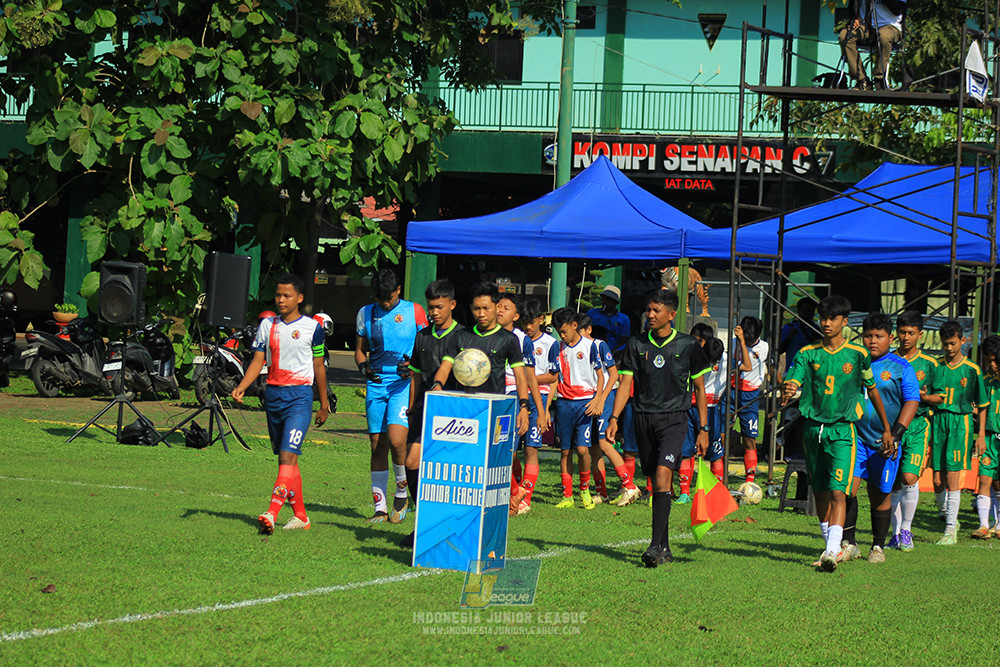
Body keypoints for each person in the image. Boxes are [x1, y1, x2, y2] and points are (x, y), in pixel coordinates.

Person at [782, 295, 893, 572]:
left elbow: (872, 390)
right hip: (812, 429)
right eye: (823, 318)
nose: (827, 323)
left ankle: (833, 550)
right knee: (818, 490)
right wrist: (788, 388)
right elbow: (794, 380)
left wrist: (887, 427)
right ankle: (829, 547)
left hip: (843, 430)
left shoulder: (857, 355)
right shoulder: (807, 353)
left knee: (838, 491)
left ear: (845, 322)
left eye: (833, 318)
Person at [606, 290, 711, 568]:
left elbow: (700, 390)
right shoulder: (636, 344)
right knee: (655, 480)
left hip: (675, 420)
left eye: (656, 311)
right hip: (642, 418)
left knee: (664, 474)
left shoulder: (689, 345)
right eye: (648, 310)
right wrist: (614, 418)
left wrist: (703, 428)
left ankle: (653, 546)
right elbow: (625, 384)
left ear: (672, 315)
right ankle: (664, 548)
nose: (650, 315)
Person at [233, 273, 329, 534]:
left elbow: (319, 367)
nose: (281, 300)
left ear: (299, 298)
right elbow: (257, 361)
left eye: (287, 296)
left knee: (288, 456)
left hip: (299, 398)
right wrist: (242, 386)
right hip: (273, 397)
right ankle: (301, 517)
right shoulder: (268, 325)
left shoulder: (313, 328)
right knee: (287, 461)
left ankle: (272, 512)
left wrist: (323, 403)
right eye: (278, 295)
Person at [841, 313, 918, 564]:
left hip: (884, 442)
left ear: (890, 338)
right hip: (854, 438)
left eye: (879, 336)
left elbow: (912, 401)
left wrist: (895, 435)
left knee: (880, 494)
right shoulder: (852, 361)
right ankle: (849, 543)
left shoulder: (901, 367)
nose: (872, 341)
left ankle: (877, 546)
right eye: (868, 336)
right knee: (847, 489)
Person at [355, 268, 428, 524]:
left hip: (404, 384)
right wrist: (364, 367)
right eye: (380, 298)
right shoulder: (365, 313)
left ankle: (401, 491)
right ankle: (379, 507)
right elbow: (360, 352)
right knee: (378, 445)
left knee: (398, 440)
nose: (384, 303)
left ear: (398, 290)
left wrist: (412, 366)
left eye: (388, 297)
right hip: (377, 385)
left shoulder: (414, 311)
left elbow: (426, 346)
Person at [402, 279, 465, 548]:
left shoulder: (464, 336)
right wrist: (411, 406)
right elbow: (415, 377)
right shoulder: (422, 336)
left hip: (454, 413)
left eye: (439, 307)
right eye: (431, 307)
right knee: (411, 463)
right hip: (423, 409)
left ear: (452, 305)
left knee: (448, 472)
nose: (434, 312)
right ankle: (424, 524)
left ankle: (451, 527)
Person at [430, 281, 531, 432]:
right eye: (476, 309)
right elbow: (445, 366)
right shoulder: (460, 336)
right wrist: (437, 385)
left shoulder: (509, 339)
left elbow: (520, 377)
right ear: (471, 308)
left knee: (497, 454)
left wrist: (524, 407)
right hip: (463, 409)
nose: (481, 314)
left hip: (494, 409)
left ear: (497, 307)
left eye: (486, 308)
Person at [924, 320, 988, 545]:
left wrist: (980, 435)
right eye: (945, 344)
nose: (949, 348)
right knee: (937, 477)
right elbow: (929, 394)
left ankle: (951, 529)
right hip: (938, 421)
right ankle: (945, 514)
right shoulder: (936, 366)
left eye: (952, 343)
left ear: (963, 340)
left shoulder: (972, 370)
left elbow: (982, 404)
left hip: (960, 423)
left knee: (952, 475)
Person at [537, 308, 605, 510]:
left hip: (585, 404)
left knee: (583, 449)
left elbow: (601, 376)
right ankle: (568, 495)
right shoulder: (557, 348)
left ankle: (584, 489)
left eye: (565, 331)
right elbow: (553, 379)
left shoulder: (591, 346)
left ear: (575, 326)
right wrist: (548, 406)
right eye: (559, 332)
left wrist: (598, 399)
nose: (562, 336)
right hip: (564, 404)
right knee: (565, 451)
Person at [887, 310, 938, 550]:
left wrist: (924, 397)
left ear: (920, 334)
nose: (906, 337)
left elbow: (941, 396)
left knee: (909, 477)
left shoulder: (929, 364)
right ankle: (894, 534)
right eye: (902, 332)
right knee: (893, 483)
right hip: (892, 426)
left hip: (918, 426)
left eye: (911, 333)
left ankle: (906, 529)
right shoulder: (887, 360)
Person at [578, 316, 641, 507]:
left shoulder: (599, 345)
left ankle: (629, 486)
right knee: (595, 446)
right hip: (591, 397)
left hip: (605, 397)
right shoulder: (573, 348)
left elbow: (613, 374)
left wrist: (602, 400)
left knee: (605, 442)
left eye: (579, 331)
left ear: (588, 330)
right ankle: (602, 492)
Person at [496, 293, 547, 514]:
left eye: (505, 308)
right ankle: (515, 491)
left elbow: (530, 377)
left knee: (510, 450)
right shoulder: (487, 334)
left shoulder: (521, 339)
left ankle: (517, 492)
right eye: (497, 306)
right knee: (501, 450)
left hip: (514, 399)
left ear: (516, 315)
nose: (499, 310)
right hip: (492, 397)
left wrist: (540, 410)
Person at [514, 299, 558, 514]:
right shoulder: (517, 339)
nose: (528, 327)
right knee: (511, 451)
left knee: (531, 449)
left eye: (532, 322)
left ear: (541, 320)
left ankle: (526, 499)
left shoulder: (551, 343)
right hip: (516, 397)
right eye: (525, 323)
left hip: (536, 400)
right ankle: (515, 491)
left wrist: (528, 379)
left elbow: (552, 376)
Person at [678, 334, 727, 503]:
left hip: (712, 410)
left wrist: (742, 342)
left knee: (715, 453)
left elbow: (748, 366)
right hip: (692, 408)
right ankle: (684, 492)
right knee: (686, 451)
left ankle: (717, 491)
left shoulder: (727, 360)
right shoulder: (695, 357)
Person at [838, 0, 907, 91]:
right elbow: (853, 4)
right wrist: (854, 18)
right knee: (845, 36)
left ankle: (879, 78)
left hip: (890, 26)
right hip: (866, 26)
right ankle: (862, 80)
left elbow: (898, 9)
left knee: (884, 36)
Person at [971, 335, 1000, 539]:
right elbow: (981, 408)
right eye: (989, 361)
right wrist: (980, 434)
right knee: (984, 479)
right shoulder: (987, 382)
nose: (992, 365)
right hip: (989, 438)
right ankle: (983, 525)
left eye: (995, 361)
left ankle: (998, 525)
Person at [733, 316, 767, 484]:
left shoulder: (763, 347)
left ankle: (750, 479)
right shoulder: (734, 343)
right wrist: (738, 342)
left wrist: (742, 343)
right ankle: (719, 477)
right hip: (732, 392)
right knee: (723, 434)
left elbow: (748, 365)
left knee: (749, 438)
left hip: (750, 395)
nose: (748, 341)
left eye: (751, 339)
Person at [779, 298, 820, 376]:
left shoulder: (817, 330)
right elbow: (780, 349)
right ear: (798, 311)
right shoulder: (790, 327)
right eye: (805, 310)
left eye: (811, 311)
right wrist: (789, 338)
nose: (808, 314)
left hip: (811, 370)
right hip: (793, 370)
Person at [586, 285, 631, 352]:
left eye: (608, 299)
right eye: (603, 299)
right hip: (592, 350)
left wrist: (613, 353)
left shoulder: (624, 319)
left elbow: (624, 340)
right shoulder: (592, 313)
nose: (605, 302)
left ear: (615, 302)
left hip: (614, 353)